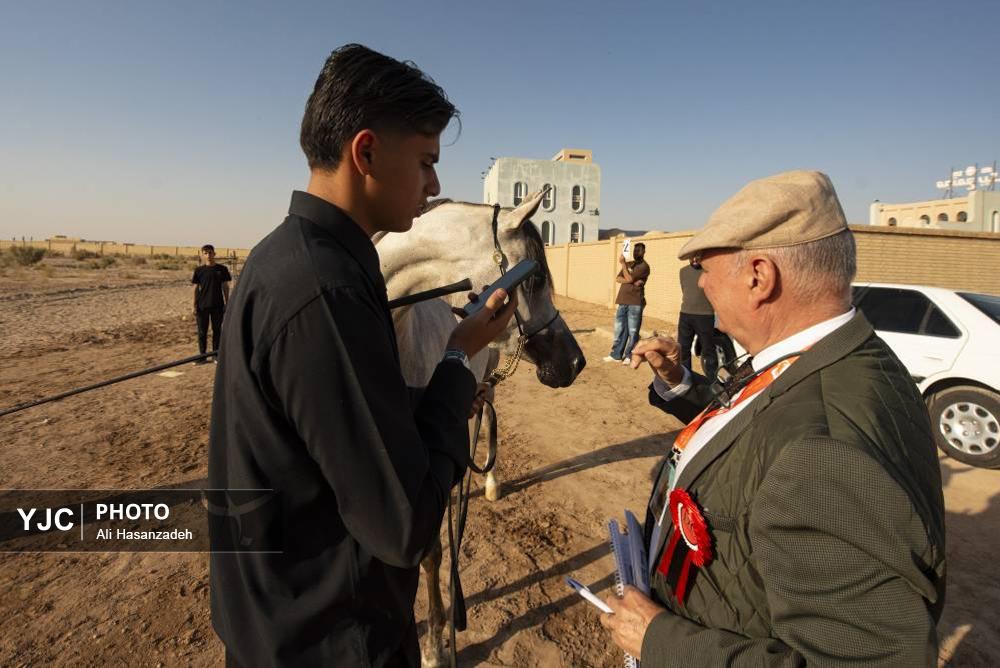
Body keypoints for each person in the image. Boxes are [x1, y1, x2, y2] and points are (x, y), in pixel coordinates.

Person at [207, 44, 518, 667]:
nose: (434, 184)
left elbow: (332, 429)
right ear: (366, 152)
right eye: (426, 161)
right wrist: (458, 362)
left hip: (287, 624)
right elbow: (403, 527)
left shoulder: (285, 256)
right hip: (330, 641)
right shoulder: (328, 290)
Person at [600, 171, 946, 666]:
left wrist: (662, 642)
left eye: (705, 267)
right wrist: (679, 381)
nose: (700, 283)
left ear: (759, 276)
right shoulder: (825, 355)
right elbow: (761, 423)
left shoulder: (827, 453)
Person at [604, 242, 650, 364]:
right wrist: (628, 277)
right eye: (635, 250)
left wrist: (624, 266)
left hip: (635, 302)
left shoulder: (644, 267)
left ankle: (630, 355)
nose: (636, 253)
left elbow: (628, 279)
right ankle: (616, 355)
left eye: (639, 251)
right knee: (620, 329)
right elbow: (618, 278)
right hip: (623, 300)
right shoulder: (629, 264)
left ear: (644, 252)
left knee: (633, 331)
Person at [675, 263, 720, 380]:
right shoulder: (683, 271)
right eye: (692, 256)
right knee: (683, 349)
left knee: (708, 350)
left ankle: (712, 381)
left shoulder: (710, 271)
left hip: (705, 316)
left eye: (697, 256)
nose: (695, 259)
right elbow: (685, 290)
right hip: (685, 314)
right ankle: (685, 379)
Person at [191, 244, 231, 362]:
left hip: (218, 305)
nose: (208, 255)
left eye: (210, 253)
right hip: (202, 306)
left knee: (217, 330)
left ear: (214, 254)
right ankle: (202, 357)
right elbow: (195, 288)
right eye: (206, 253)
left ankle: (216, 355)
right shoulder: (199, 270)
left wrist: (227, 303)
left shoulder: (222, 269)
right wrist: (193, 305)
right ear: (202, 255)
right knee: (202, 332)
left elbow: (225, 287)